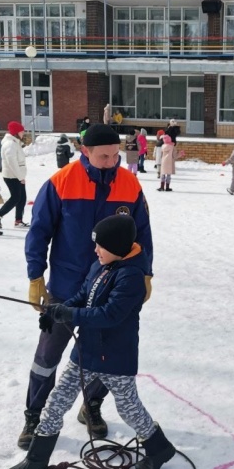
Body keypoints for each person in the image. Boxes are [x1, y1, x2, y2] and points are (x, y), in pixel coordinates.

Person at [7, 215, 175, 469]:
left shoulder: (131, 276)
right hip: (86, 351)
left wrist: (70, 314)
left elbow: (109, 315)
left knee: (129, 408)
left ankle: (160, 449)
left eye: (101, 246)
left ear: (118, 247)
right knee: (57, 402)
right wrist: (55, 311)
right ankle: (36, 460)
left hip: (115, 358)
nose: (95, 250)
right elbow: (83, 296)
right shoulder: (100, 266)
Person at [20, 124, 153, 450]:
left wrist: (145, 273)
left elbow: (142, 233)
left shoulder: (129, 183)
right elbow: (39, 232)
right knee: (47, 356)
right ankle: (34, 415)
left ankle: (91, 405)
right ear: (85, 152)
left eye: (115, 155)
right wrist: (36, 276)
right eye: (103, 156)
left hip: (108, 289)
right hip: (66, 288)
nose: (111, 161)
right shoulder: (61, 182)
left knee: (103, 355)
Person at [0, 122, 29, 229]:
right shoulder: (10, 144)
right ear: (16, 132)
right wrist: (20, 177)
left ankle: (18, 220)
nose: (23, 133)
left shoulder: (15, 143)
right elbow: (12, 162)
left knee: (22, 198)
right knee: (16, 198)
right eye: (22, 131)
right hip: (12, 176)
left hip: (17, 175)